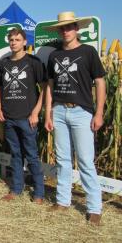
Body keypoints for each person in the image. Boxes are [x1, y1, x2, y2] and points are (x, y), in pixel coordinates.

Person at [44, 12, 106, 225]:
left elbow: (100, 83)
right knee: (62, 160)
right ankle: (62, 201)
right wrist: (48, 112)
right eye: (62, 28)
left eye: (69, 27)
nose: (65, 31)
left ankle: (94, 207)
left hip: (82, 112)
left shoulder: (88, 52)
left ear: (77, 28)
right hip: (59, 111)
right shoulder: (54, 56)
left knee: (86, 161)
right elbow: (50, 86)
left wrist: (98, 113)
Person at [0, 28, 46, 203]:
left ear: (25, 42)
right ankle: (16, 189)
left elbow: (45, 88)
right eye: (11, 40)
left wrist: (35, 112)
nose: (14, 42)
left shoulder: (33, 62)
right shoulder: (4, 64)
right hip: (9, 117)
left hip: (27, 118)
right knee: (15, 155)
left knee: (31, 155)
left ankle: (39, 193)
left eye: (17, 39)